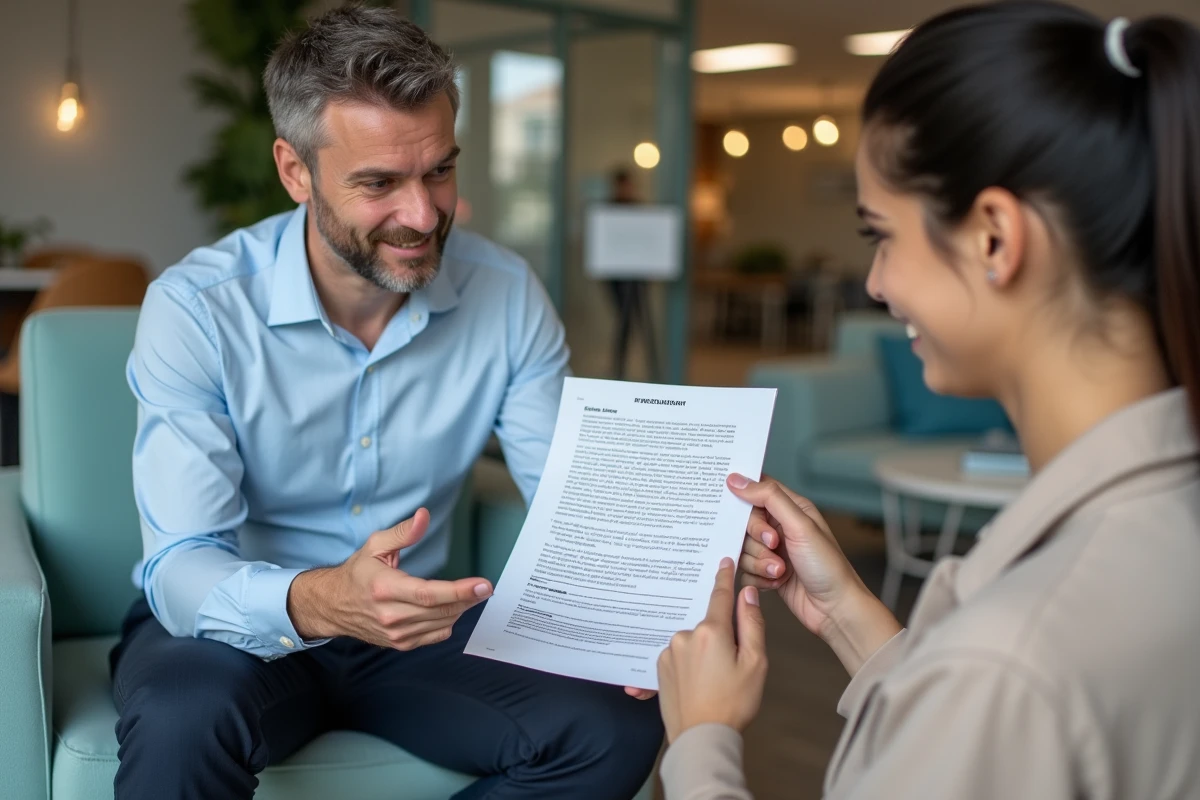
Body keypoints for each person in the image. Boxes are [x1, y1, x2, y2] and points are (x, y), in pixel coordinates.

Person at [111, 7, 785, 798]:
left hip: (418, 632)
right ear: (296, 171)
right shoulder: (198, 308)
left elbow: (574, 499)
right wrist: (322, 599)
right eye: (378, 183)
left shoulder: (505, 296)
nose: (425, 215)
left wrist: (684, 564)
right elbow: (182, 563)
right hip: (240, 633)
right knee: (183, 714)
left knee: (616, 726)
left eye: (438, 171)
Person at [655, 2, 1200, 797]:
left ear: (994, 239)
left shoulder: (1008, 662)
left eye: (881, 235)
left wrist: (701, 741)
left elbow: (995, 692)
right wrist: (848, 608)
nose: (874, 283)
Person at [605, 167, 660, 380]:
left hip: (638, 274)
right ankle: (618, 367)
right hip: (616, 275)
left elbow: (649, 239)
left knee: (640, 320)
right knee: (623, 321)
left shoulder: (639, 208)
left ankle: (648, 367)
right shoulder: (608, 209)